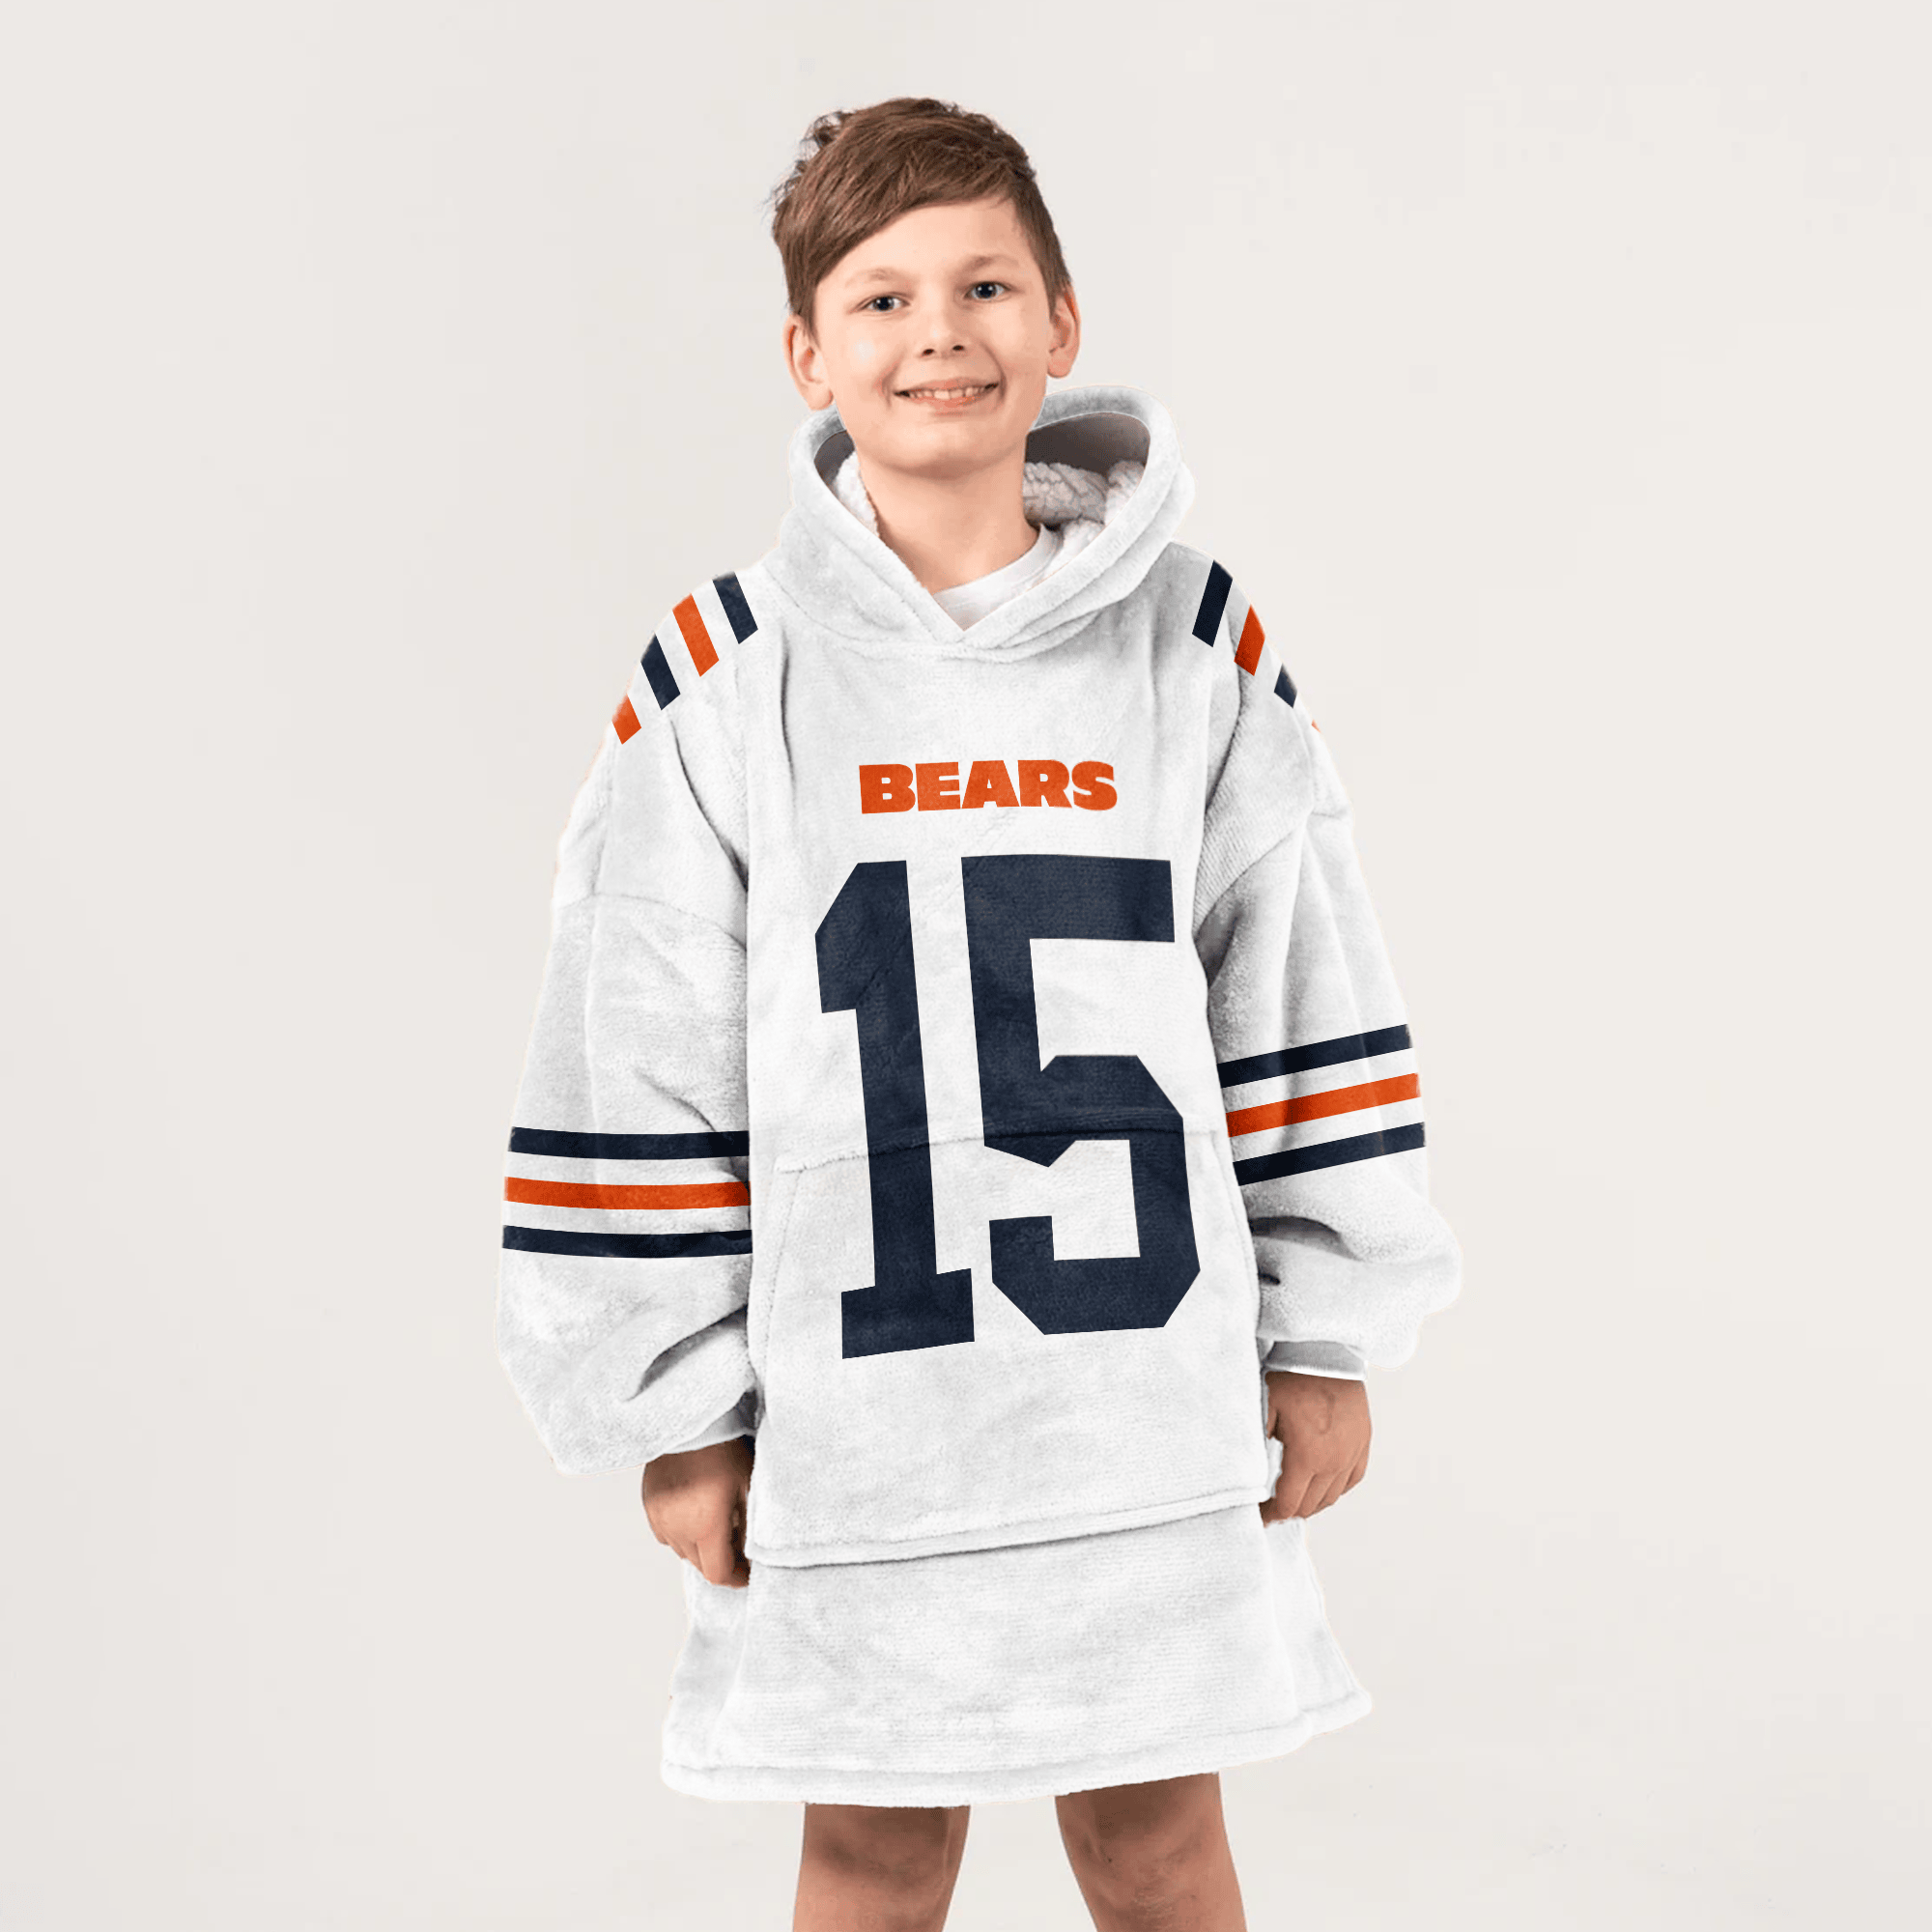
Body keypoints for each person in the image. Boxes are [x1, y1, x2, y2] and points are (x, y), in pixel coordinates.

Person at [496, 96, 1461, 1931]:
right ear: (808, 354)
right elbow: (637, 1041)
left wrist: (1326, 1328)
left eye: (985, 286)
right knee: (874, 1849)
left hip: (1142, 1398)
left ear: (1063, 320)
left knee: (1156, 1839)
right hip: (857, 1417)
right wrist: (680, 1405)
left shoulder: (1192, 646)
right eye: (881, 299)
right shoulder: (728, 680)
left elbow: (1297, 979)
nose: (937, 332)